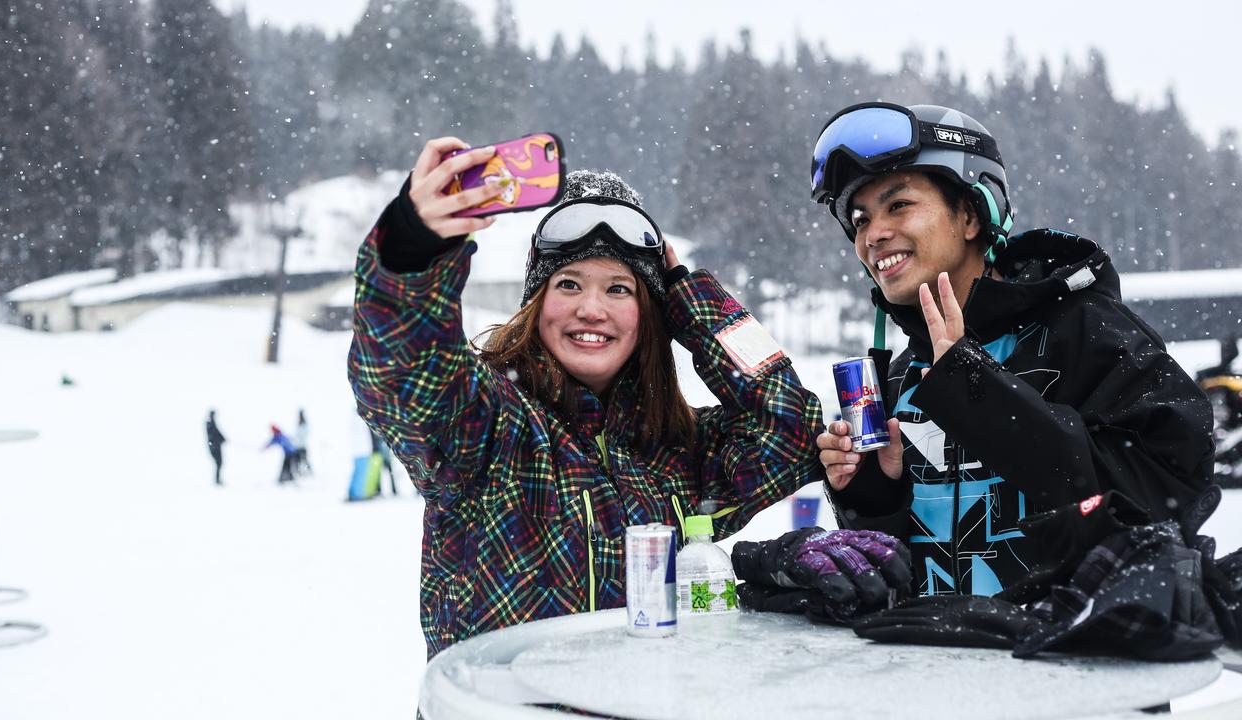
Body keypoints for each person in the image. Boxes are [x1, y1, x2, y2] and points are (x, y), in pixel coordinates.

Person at [349, 137, 827, 658]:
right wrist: (411, 250)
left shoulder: (681, 451)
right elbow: (401, 368)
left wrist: (689, 297)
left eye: (619, 289)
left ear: (651, 312)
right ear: (538, 300)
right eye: (570, 284)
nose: (591, 309)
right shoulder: (487, 424)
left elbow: (791, 426)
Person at [809, 102, 1214, 597]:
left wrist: (981, 394)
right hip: (927, 661)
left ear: (971, 215)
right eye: (859, 218)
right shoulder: (902, 376)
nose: (873, 234)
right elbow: (897, 570)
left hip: (1066, 658)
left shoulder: (1084, 330)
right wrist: (874, 496)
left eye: (898, 205)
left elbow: (1170, 496)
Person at [205, 410, 226, 486]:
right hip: (214, 447)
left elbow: (217, 433)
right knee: (219, 463)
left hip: (216, 446)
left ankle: (217, 479)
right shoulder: (210, 424)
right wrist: (221, 439)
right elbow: (214, 434)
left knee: (219, 463)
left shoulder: (212, 423)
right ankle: (217, 480)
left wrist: (223, 439)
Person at [292, 409, 312, 476]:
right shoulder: (299, 424)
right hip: (297, 446)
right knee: (297, 461)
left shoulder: (304, 425)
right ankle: (298, 472)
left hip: (302, 446)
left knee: (304, 460)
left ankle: (309, 471)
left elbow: (302, 435)